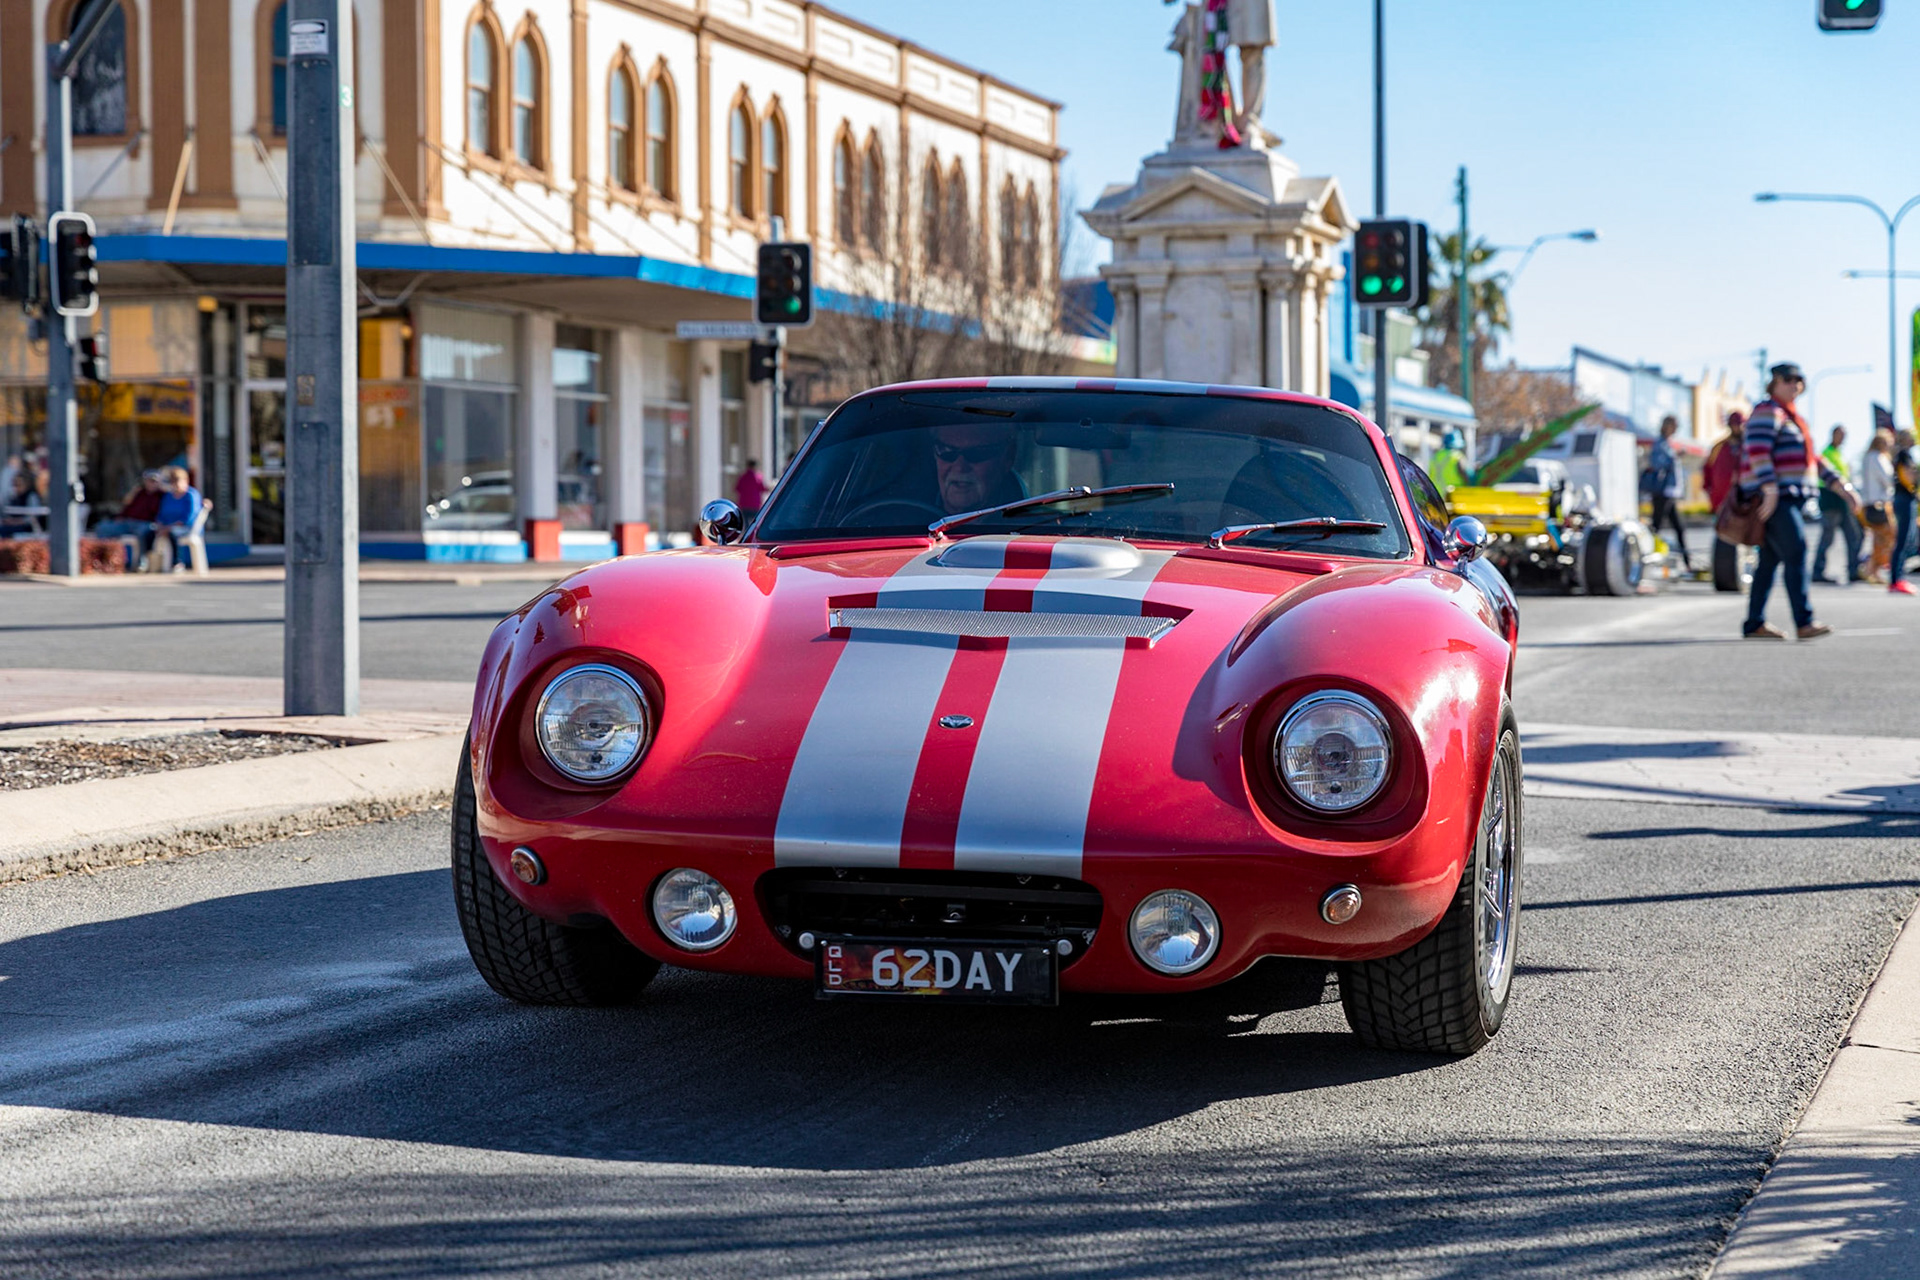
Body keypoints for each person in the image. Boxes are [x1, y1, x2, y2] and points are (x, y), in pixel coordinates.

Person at [1739, 363, 1855, 640]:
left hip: (1789, 496)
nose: (1795, 385)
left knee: (1769, 561)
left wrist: (1841, 486)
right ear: (1774, 382)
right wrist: (1769, 487)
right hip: (1776, 498)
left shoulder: (1792, 418)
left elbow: (1813, 459)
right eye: (1789, 380)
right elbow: (1757, 449)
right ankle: (1804, 621)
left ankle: (1754, 623)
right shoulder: (1768, 411)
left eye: (1799, 381)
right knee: (1797, 550)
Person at [1811, 425, 1864, 584]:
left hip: (1843, 502)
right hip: (1832, 501)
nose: (1843, 439)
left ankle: (1853, 570)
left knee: (1853, 536)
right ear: (1833, 434)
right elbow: (1830, 479)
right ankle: (1817, 571)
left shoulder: (1839, 454)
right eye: (1840, 435)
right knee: (1827, 539)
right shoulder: (1826, 453)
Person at [931, 423, 1021, 515]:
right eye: (947, 451)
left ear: (1008, 457)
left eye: (976, 453)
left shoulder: (1029, 522)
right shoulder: (916, 517)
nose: (960, 467)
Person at [1646, 416, 1693, 571]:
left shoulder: (1667, 444)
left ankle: (1687, 562)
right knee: (1656, 526)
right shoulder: (1660, 444)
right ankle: (1647, 560)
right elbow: (1656, 463)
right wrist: (1674, 458)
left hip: (1670, 493)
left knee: (1678, 528)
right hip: (1662, 492)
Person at [142, 466, 205, 571]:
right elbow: (161, 515)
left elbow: (187, 518)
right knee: (149, 532)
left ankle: (177, 562)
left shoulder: (191, 495)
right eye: (172, 481)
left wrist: (169, 528)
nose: (175, 483)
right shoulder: (168, 496)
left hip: (186, 528)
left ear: (186, 480)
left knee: (173, 533)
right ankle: (149, 562)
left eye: (177, 480)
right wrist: (160, 526)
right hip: (166, 527)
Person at [1859, 429, 1896, 582]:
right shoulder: (1877, 458)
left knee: (1878, 538)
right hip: (1879, 503)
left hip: (1870, 503)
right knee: (1886, 537)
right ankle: (1870, 567)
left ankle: (1873, 570)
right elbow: (1887, 479)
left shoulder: (1868, 457)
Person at [92, 471, 165, 539]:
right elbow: (126, 502)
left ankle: (140, 553)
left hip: (145, 524)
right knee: (102, 527)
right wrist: (134, 491)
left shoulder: (162, 495)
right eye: (148, 481)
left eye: (154, 481)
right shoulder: (139, 492)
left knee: (145, 532)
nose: (150, 483)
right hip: (127, 521)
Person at [1891, 429, 1919, 596]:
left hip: (1902, 499)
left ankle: (1897, 578)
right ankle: (1896, 579)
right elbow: (1908, 477)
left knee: (1906, 540)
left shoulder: (1900, 454)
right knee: (1903, 540)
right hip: (1904, 499)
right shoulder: (1904, 454)